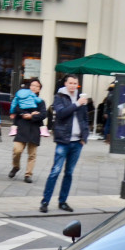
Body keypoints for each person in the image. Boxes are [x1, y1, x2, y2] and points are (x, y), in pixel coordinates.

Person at [40, 74, 90, 213]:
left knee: (69, 172)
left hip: (77, 142)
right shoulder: (60, 97)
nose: (73, 86)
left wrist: (84, 136)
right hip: (63, 140)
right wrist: (77, 104)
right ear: (65, 84)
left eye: (75, 83)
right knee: (55, 171)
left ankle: (63, 201)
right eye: (71, 83)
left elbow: (85, 118)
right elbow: (61, 113)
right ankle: (45, 201)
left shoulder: (81, 97)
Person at [7, 78, 46, 181]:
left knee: (32, 154)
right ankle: (16, 167)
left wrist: (32, 116)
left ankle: (28, 174)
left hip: (34, 129)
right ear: (29, 87)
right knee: (17, 150)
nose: (34, 87)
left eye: (37, 86)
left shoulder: (41, 102)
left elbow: (43, 114)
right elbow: (16, 108)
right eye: (33, 85)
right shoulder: (22, 98)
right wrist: (25, 114)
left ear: (39, 89)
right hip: (22, 127)